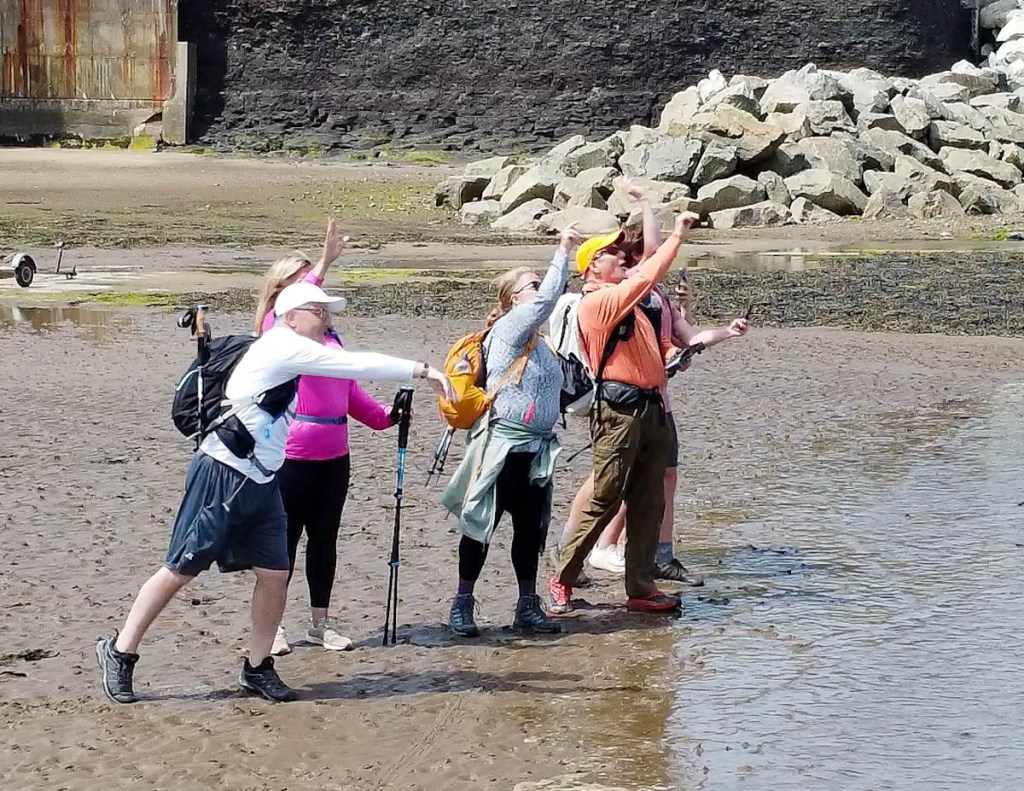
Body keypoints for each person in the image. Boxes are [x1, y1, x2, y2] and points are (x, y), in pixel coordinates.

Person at [96, 281, 453, 704]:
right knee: (180, 568)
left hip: (263, 481)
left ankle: (257, 667)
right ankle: (120, 651)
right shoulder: (282, 346)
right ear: (292, 317)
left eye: (328, 314)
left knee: (274, 574)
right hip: (223, 473)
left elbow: (346, 381)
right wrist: (424, 370)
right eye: (319, 312)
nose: (327, 321)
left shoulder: (295, 349)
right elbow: (354, 365)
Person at [549, 210, 748, 614]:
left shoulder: (632, 301)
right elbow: (648, 271)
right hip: (619, 410)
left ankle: (640, 588)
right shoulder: (597, 302)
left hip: (651, 406)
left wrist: (699, 336)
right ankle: (562, 579)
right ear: (592, 267)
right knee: (605, 497)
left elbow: (669, 334)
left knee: (649, 500)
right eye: (613, 253)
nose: (622, 256)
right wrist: (677, 236)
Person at [254, 222, 395, 656]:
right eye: (300, 286)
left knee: (324, 539)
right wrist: (325, 262)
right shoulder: (275, 332)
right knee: (282, 543)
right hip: (291, 456)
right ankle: (273, 627)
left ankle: (320, 623)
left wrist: (385, 418)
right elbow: (294, 304)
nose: (312, 294)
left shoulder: (330, 339)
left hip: (335, 456)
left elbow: (349, 391)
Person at [441, 225, 584, 637]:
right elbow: (547, 301)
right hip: (501, 446)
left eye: (540, 284)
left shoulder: (542, 343)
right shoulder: (507, 331)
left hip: (536, 451)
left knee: (530, 529)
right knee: (480, 525)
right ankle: (462, 604)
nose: (541, 292)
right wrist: (562, 251)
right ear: (512, 301)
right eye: (532, 287)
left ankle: (527, 606)